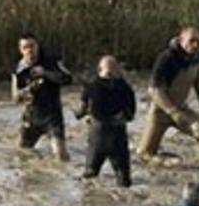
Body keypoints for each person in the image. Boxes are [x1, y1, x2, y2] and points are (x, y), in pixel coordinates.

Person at [137, 27, 199, 163]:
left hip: (182, 108)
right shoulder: (166, 58)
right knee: (145, 156)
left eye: (198, 42)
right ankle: (168, 161)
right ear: (181, 40)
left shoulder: (197, 61)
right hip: (160, 111)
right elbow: (154, 89)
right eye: (191, 41)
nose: (195, 45)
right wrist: (172, 112)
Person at [75, 55, 136, 187]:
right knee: (124, 181)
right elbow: (131, 115)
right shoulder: (126, 89)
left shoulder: (91, 87)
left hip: (98, 137)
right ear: (118, 71)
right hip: (118, 137)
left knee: (89, 178)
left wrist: (79, 114)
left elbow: (81, 112)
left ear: (99, 70)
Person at [11, 33, 73, 161]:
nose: (29, 50)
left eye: (32, 46)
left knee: (61, 156)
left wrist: (45, 73)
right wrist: (25, 92)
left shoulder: (52, 61)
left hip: (52, 117)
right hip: (31, 117)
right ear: (21, 50)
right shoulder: (19, 68)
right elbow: (15, 97)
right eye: (25, 47)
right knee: (21, 153)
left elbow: (68, 79)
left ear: (38, 46)